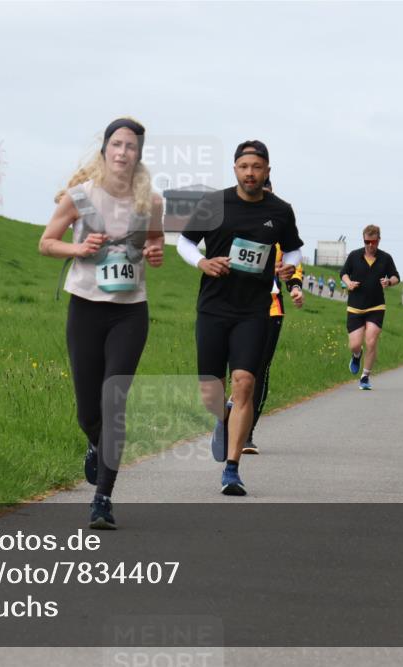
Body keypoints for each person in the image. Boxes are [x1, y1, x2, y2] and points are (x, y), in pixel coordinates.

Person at [39, 118, 164, 528]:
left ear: (139, 155)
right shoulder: (80, 197)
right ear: (105, 150)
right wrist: (78, 247)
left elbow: (155, 240)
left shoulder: (151, 202)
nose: (123, 152)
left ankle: (102, 500)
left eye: (131, 146)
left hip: (130, 312)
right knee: (87, 412)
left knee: (114, 405)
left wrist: (155, 251)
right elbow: (46, 243)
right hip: (86, 309)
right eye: (117, 144)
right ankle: (96, 444)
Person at [177, 139, 303, 495]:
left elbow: (293, 246)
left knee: (245, 381)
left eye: (257, 167)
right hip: (214, 307)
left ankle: (232, 469)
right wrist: (202, 261)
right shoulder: (213, 204)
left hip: (254, 310)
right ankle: (222, 418)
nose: (251, 173)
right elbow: (184, 242)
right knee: (210, 390)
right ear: (235, 169)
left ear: (267, 171)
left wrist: (288, 266)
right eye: (244, 167)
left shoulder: (280, 210)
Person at [245, 176, 304, 456]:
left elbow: (294, 262)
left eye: (266, 194)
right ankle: (230, 412)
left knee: (259, 371)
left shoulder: (280, 228)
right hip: (237, 305)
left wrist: (294, 287)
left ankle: (247, 432)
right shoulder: (238, 224)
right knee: (239, 370)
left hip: (270, 307)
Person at [340, 225, 400, 390]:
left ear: (378, 240)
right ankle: (356, 355)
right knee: (355, 344)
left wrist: (389, 282)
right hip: (355, 307)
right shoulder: (354, 255)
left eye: (373, 242)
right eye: (367, 242)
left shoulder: (385, 258)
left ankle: (365, 376)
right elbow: (343, 273)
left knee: (371, 341)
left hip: (376, 306)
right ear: (364, 240)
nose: (370, 245)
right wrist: (349, 283)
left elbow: (396, 277)